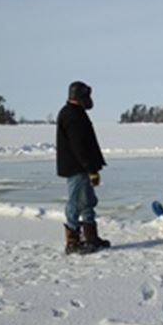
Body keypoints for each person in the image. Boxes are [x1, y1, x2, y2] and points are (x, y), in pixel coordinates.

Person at [56, 81, 110, 254]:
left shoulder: (76, 113)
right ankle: (72, 240)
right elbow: (78, 145)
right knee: (75, 202)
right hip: (77, 167)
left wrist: (93, 167)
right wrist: (89, 168)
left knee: (87, 201)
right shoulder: (71, 115)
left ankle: (91, 238)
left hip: (83, 167)